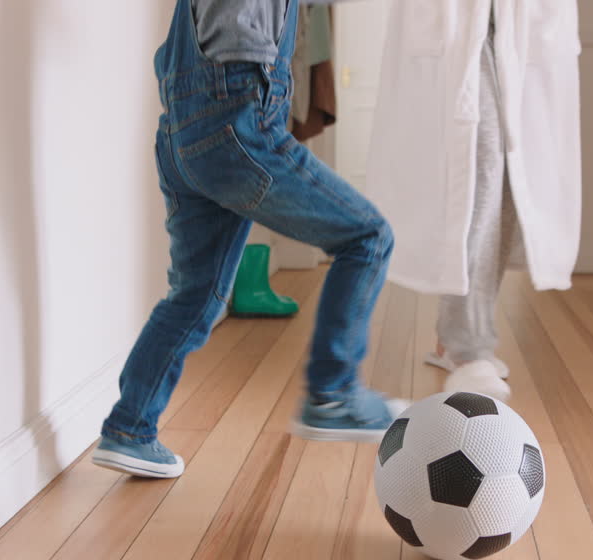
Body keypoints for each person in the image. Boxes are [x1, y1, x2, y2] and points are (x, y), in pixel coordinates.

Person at [92, 0, 402, 479]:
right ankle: (334, 392)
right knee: (367, 236)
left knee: (194, 294)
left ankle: (130, 428)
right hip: (238, 118)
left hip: (182, 132)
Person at [366, 0, 583, 402]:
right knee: (480, 168)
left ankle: (457, 338)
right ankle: (469, 346)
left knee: (511, 182)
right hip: (457, 17)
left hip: (527, 18)